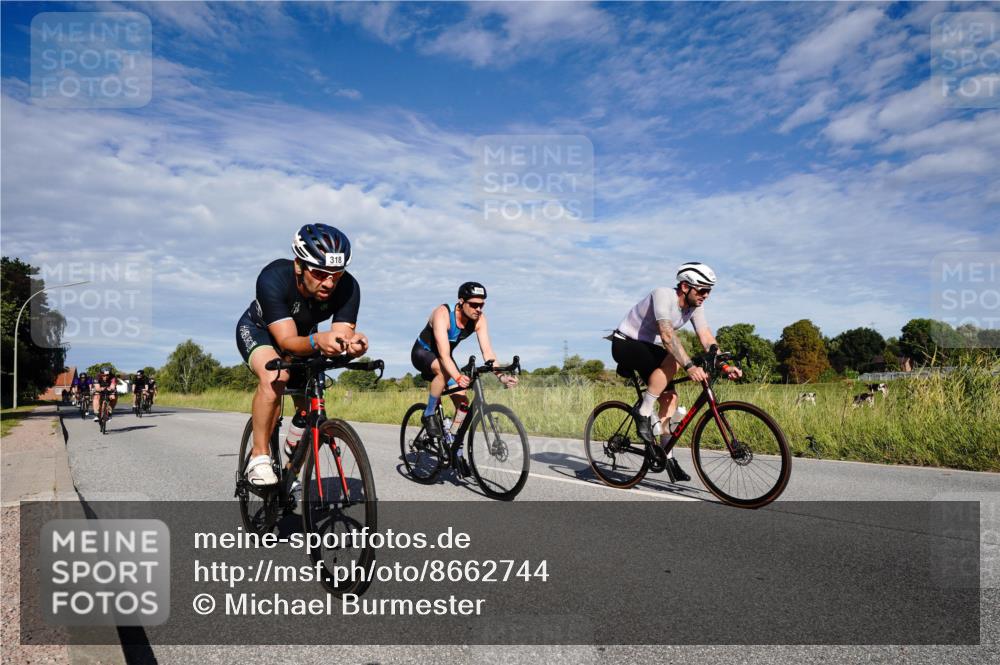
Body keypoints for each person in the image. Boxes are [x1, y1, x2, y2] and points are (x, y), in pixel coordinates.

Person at [236, 223, 368, 487]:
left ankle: (291, 470)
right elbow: (285, 342)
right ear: (299, 265)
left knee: (310, 405)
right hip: (261, 332)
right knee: (276, 374)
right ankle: (260, 456)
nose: (329, 283)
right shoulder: (273, 277)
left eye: (337, 274)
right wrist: (319, 340)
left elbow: (340, 335)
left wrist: (352, 345)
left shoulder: (349, 287)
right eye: (320, 273)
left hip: (305, 336)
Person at [610, 262, 742, 481]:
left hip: (647, 347)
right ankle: (643, 411)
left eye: (709, 290)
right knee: (676, 361)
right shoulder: (662, 295)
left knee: (671, 398)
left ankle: (667, 457)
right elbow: (667, 336)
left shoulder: (695, 307)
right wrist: (690, 366)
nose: (706, 295)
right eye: (702, 289)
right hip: (624, 343)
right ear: (684, 286)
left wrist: (724, 364)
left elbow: (706, 337)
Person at [410, 282, 518, 475]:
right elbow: (443, 354)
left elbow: (487, 352)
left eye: (482, 305)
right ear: (461, 301)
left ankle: (455, 447)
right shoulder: (442, 314)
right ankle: (428, 414)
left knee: (463, 404)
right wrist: (458, 376)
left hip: (445, 359)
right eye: (474, 305)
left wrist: (501, 376)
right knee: (444, 372)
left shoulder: (480, 320)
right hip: (423, 353)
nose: (478, 309)